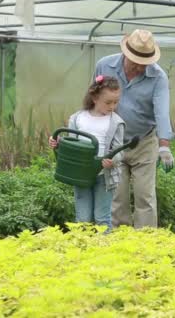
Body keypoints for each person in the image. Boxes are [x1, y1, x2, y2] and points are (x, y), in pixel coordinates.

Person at [94, 29, 175, 229]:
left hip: (144, 142)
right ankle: (122, 244)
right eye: (135, 60)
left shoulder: (158, 77)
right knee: (116, 196)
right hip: (114, 143)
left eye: (144, 62)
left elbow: (162, 112)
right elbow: (94, 100)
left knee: (145, 197)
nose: (139, 66)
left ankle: (146, 245)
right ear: (125, 53)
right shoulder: (104, 66)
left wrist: (164, 146)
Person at [48, 75, 125, 232]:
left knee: (102, 218)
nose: (112, 106)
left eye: (116, 102)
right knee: (82, 219)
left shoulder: (116, 122)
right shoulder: (78, 118)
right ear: (95, 98)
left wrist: (113, 160)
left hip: (104, 176)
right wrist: (57, 143)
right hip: (81, 175)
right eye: (108, 102)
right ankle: (82, 252)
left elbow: (119, 150)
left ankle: (104, 253)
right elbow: (72, 145)